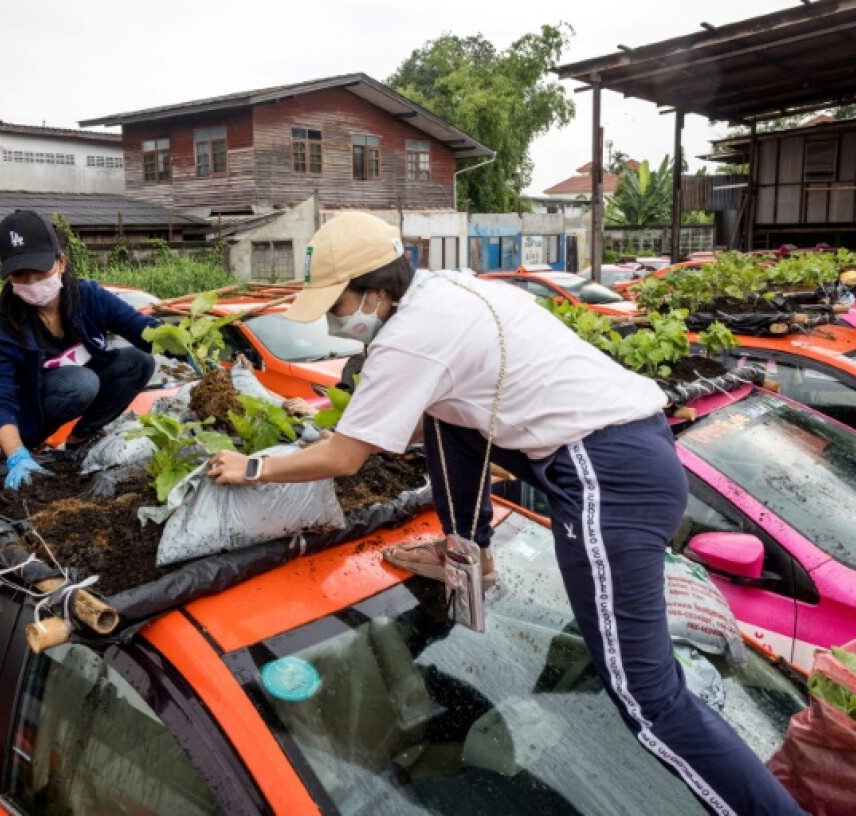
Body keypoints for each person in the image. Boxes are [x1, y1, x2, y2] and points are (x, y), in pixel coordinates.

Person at [207, 212, 805, 815]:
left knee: (647, 698)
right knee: (450, 414)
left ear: (376, 290)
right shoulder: (449, 291)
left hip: (606, 479)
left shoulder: (409, 339)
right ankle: (469, 551)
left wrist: (251, 467)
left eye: (338, 303)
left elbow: (345, 457)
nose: (338, 319)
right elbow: (443, 423)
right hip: (628, 449)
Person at [0, 210, 159, 490]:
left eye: (39, 272)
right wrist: (15, 453)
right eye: (20, 275)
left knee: (138, 361)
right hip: (34, 415)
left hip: (82, 388)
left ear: (60, 262)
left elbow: (141, 329)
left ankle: (79, 439)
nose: (31, 283)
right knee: (81, 382)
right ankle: (29, 452)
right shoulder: (2, 326)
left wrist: (188, 342)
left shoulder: (88, 298)